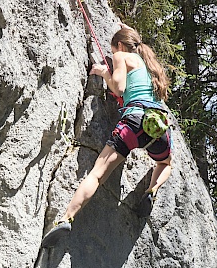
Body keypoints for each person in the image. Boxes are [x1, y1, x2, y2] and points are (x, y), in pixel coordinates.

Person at [41, 25, 172, 248]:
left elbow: (119, 88)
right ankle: (152, 190)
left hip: (133, 122)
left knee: (97, 175)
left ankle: (66, 219)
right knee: (165, 163)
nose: (113, 55)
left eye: (114, 50)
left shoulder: (122, 55)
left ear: (119, 46)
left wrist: (104, 73)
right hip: (157, 126)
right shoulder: (150, 67)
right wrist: (127, 29)